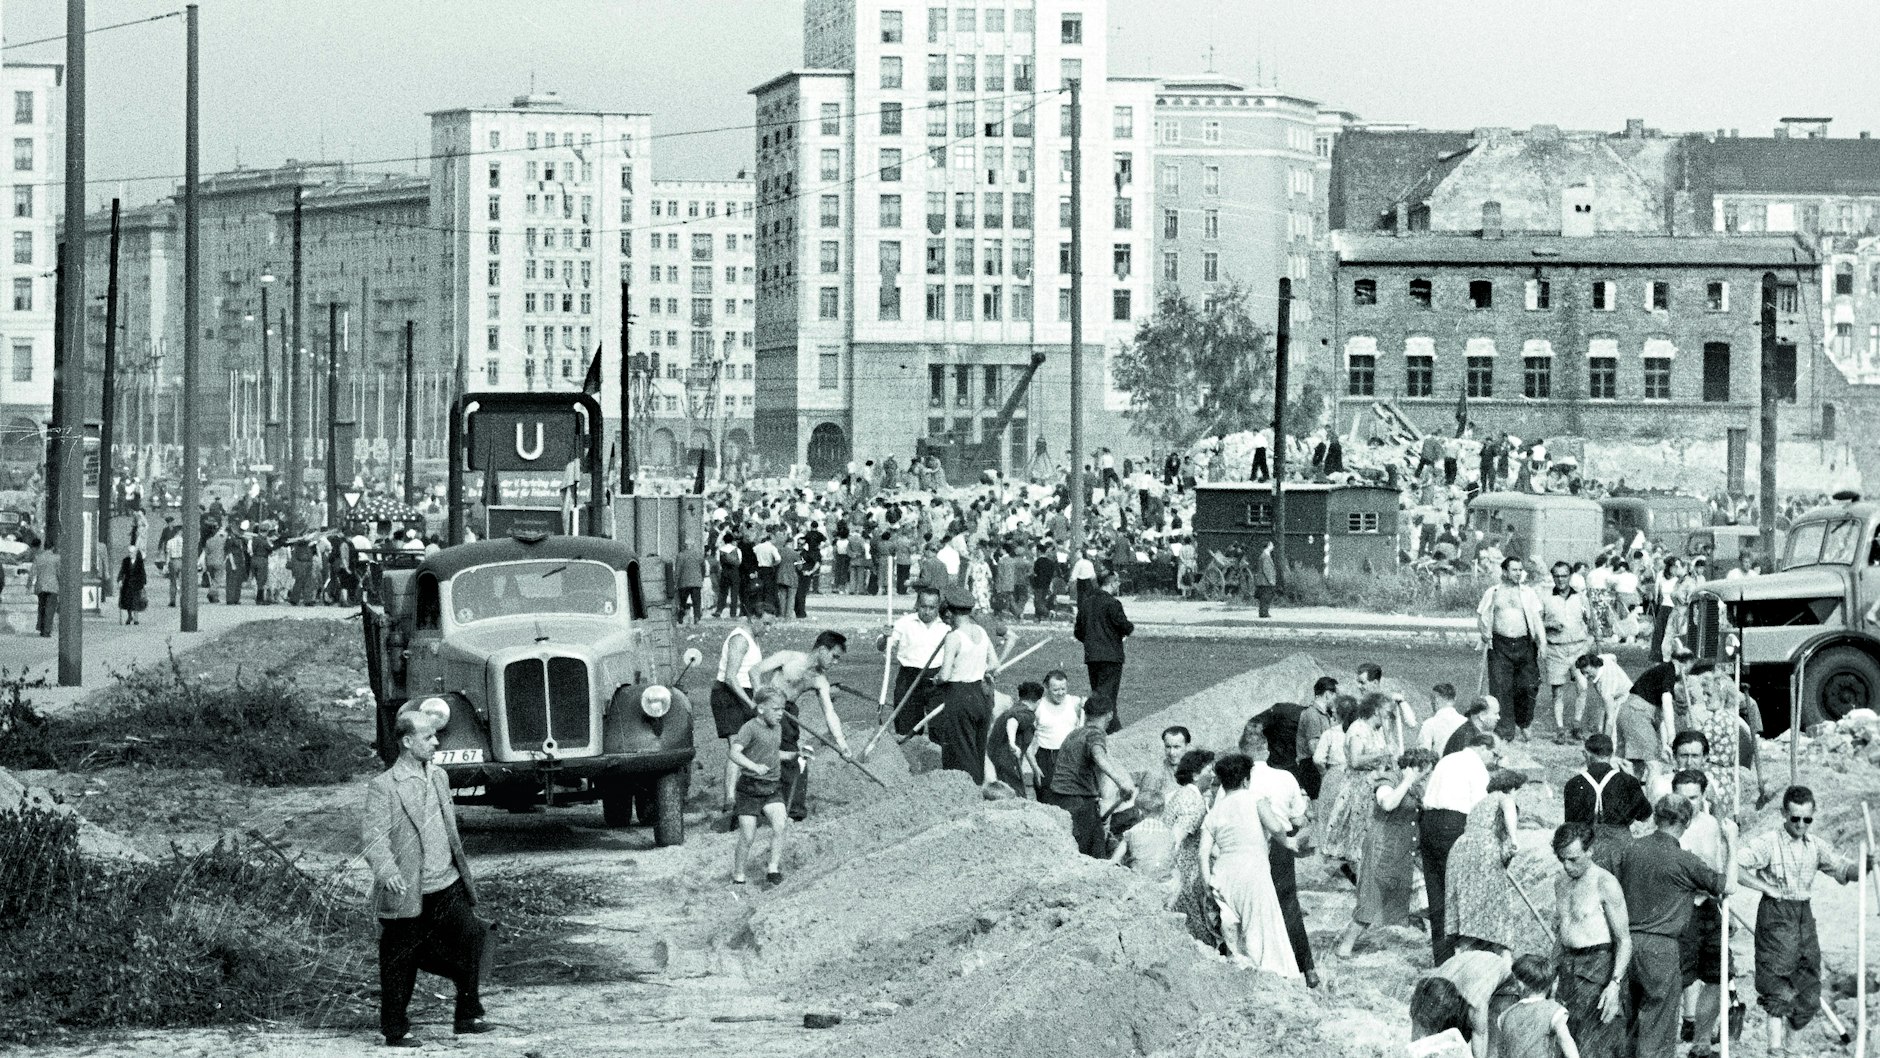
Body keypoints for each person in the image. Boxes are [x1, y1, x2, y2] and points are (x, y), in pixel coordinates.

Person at [360, 710, 490, 1046]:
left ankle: (466, 1015)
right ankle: (395, 1030)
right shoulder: (384, 787)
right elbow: (374, 836)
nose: (436, 741)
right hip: (407, 888)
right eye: (428, 737)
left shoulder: (440, 777)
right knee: (400, 957)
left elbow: (448, 829)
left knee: (474, 936)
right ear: (407, 742)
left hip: (447, 883)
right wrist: (387, 871)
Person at [1735, 784, 1870, 1057]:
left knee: (1808, 983)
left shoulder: (1816, 845)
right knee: (1777, 982)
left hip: (1803, 916)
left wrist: (1867, 865)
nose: (1800, 824)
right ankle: (1775, 1050)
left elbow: (1843, 869)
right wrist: (1765, 888)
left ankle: (1793, 1051)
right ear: (1784, 813)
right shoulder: (1768, 842)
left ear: (1813, 816)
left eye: (1807, 819)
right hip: (1776, 915)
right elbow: (1734, 866)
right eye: (1795, 818)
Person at [1611, 795, 1737, 1058]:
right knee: (1658, 1028)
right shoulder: (1684, 860)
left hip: (1625, 944)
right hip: (1661, 947)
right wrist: (1732, 843)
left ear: (1656, 818)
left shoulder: (1630, 850)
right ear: (1687, 822)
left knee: (1629, 1027)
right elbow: (1728, 886)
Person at [1198, 752, 1300, 976]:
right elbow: (1275, 827)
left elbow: (1203, 853)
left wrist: (1207, 883)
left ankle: (1240, 971)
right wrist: (1287, 841)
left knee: (1232, 932)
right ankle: (1274, 976)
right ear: (1246, 779)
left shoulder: (1214, 812)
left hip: (1223, 875)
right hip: (1253, 872)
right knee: (1260, 929)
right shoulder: (1255, 799)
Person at [1335, 746, 1435, 959]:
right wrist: (1407, 781)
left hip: (1407, 850)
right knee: (1373, 901)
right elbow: (1387, 804)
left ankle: (1435, 937)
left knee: (1425, 897)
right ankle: (1345, 946)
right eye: (1426, 772)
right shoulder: (1388, 780)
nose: (1428, 777)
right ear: (1415, 768)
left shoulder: (1417, 787)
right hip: (1384, 849)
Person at [1243, 718, 1317, 984]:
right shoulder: (1285, 777)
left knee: (1252, 907)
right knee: (1288, 906)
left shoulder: (1240, 780)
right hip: (1280, 844)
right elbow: (1299, 820)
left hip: (1249, 844)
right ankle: (1306, 967)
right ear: (1267, 750)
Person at [1446, 768, 1553, 956]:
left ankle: (1463, 954)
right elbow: (1509, 810)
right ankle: (1503, 957)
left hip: (1461, 852)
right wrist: (1514, 838)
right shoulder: (1504, 798)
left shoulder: (1480, 803)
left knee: (1468, 906)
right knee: (1494, 907)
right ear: (1511, 788)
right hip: (1483, 851)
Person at [750, 630, 852, 822]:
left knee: (795, 762)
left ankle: (793, 812)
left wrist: (841, 744)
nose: (835, 662)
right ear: (822, 650)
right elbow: (754, 671)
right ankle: (753, 810)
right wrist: (759, 698)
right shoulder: (788, 657)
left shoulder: (820, 680)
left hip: (788, 715)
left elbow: (829, 712)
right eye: (834, 656)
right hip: (768, 708)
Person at [1551, 823, 1632, 1058]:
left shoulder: (1605, 883)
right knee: (1566, 1041)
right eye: (1562, 859)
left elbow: (1624, 940)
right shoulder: (1560, 882)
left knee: (1596, 1047)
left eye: (1573, 859)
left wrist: (1615, 984)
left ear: (1590, 851)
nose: (1567, 866)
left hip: (1598, 969)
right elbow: (1562, 932)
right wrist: (1550, 972)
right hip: (1567, 968)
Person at [1421, 732, 1502, 964]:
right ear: (1483, 748)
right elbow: (1481, 808)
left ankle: (1443, 960)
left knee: (1437, 893)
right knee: (1465, 892)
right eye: (1494, 755)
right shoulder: (1476, 767)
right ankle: (1468, 958)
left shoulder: (1447, 759)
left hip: (1429, 824)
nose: (1494, 760)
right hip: (1455, 826)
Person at [1045, 696, 1136, 857]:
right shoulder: (1095, 735)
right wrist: (1121, 783)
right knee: (1092, 852)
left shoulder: (1074, 734)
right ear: (1109, 715)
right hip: (1078, 800)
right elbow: (1099, 756)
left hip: (1059, 797)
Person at [930, 587, 998, 782]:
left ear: (949, 611)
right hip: (980, 695)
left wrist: (936, 680)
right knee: (978, 748)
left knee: (960, 749)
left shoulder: (954, 637)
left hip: (959, 695)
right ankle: (977, 786)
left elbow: (945, 674)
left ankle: (967, 791)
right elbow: (994, 664)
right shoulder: (981, 632)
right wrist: (981, 671)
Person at [1477, 556, 1546, 741]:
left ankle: (1524, 722)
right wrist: (1484, 632)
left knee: (1529, 686)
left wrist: (1543, 642)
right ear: (1505, 571)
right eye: (1514, 570)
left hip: (1525, 645)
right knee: (1501, 687)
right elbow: (1482, 616)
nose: (1518, 573)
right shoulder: (1493, 592)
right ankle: (1505, 732)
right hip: (1500, 645)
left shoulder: (1528, 592)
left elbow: (1537, 619)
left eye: (1520, 570)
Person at [727, 687, 790, 886]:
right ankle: (738, 876)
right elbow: (734, 753)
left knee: (780, 825)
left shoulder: (777, 728)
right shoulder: (750, 728)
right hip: (750, 789)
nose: (780, 714)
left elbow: (772, 753)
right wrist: (754, 766)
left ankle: (772, 869)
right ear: (761, 708)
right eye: (776, 709)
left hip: (772, 787)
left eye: (782, 709)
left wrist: (794, 755)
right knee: (747, 835)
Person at [1562, 733, 1651, 871]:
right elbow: (1645, 816)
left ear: (1586, 754)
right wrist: (1635, 781)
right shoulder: (1628, 781)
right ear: (1612, 754)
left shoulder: (1573, 784)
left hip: (1588, 847)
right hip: (1621, 849)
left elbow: (1570, 826)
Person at [712, 610, 770, 819]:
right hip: (728, 695)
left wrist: (762, 699)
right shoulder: (740, 639)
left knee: (752, 747)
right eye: (765, 623)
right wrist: (750, 704)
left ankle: (748, 796)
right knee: (737, 746)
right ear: (753, 618)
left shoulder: (753, 639)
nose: (768, 629)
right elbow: (730, 677)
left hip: (745, 694)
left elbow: (753, 675)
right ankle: (729, 800)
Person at [1413, 946, 1517, 1058]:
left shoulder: (1476, 1000)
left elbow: (1480, 1034)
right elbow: (1418, 1033)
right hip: (1470, 971)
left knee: (1491, 1041)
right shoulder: (1431, 985)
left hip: (1504, 985)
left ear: (1456, 1001)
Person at [1165, 748, 1221, 945]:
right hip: (1184, 873)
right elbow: (1175, 840)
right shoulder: (1192, 802)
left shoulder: (1183, 794)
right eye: (1209, 770)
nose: (1213, 775)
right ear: (1196, 774)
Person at [1542, 561, 1597, 743]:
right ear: (1553, 576)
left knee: (1582, 686)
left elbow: (1591, 623)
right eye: (1557, 575)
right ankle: (1559, 729)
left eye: (1564, 575)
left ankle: (1576, 725)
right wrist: (1548, 625)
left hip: (1578, 649)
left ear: (1570, 576)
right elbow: (1536, 623)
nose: (1560, 579)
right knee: (1558, 691)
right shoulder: (1546, 597)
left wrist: (1589, 642)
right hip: (1556, 649)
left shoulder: (1581, 597)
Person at [882, 587, 948, 737]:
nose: (927, 611)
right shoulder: (905, 623)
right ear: (918, 604)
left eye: (932, 607)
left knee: (939, 727)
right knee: (906, 725)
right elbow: (884, 646)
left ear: (938, 607)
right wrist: (885, 637)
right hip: (909, 676)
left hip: (936, 678)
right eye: (924, 606)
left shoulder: (946, 626)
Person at [1073, 568, 1133, 732]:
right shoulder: (1113, 604)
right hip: (1111, 656)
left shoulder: (1086, 603)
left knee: (1099, 693)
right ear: (1112, 583)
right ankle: (1111, 730)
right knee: (1108, 698)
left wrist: (1091, 641)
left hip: (1092, 656)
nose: (1118, 585)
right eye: (1118, 582)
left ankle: (1106, 727)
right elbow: (1126, 627)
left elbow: (1078, 631)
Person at [1616, 648, 1689, 775]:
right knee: (1652, 764)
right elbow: (1666, 703)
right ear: (1685, 663)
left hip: (1630, 712)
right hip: (1637, 714)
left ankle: (1628, 793)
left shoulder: (1660, 672)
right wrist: (1672, 735)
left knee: (1636, 764)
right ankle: (1650, 794)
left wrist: (1666, 744)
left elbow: (1659, 718)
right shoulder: (1669, 670)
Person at [1498, 954, 1580, 1058]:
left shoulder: (1506, 1015)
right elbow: (1565, 1040)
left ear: (1520, 984)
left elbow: (1501, 1050)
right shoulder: (1553, 1010)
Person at [988, 680, 1042, 797]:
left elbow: (1024, 744)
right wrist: (1012, 743)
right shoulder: (1027, 714)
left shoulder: (1010, 710)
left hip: (995, 762)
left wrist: (1035, 767)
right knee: (1016, 796)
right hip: (1007, 764)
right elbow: (1013, 720)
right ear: (1039, 701)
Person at [1031, 670, 1083, 793]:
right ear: (1046, 687)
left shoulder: (1074, 702)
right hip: (1046, 755)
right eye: (1055, 690)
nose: (1060, 693)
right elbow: (1029, 736)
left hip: (1069, 755)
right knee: (1045, 792)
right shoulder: (1038, 706)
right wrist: (1034, 765)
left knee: (1070, 791)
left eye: (1063, 689)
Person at [1295, 677, 1340, 801]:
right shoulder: (1312, 714)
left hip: (1316, 766)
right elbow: (1314, 747)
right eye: (1335, 695)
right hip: (1312, 769)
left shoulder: (1322, 715)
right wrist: (1325, 773)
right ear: (1327, 694)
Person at [1134, 725, 1190, 819]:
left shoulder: (1194, 770)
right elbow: (1144, 808)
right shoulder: (1155, 773)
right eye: (1168, 747)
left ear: (1187, 746)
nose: (1172, 752)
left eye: (1176, 747)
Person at [1420, 683, 1466, 754]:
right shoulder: (1465, 722)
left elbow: (1423, 754)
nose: (1431, 702)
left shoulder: (1430, 724)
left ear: (1436, 699)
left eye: (1432, 699)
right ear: (1454, 699)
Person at [674, 539, 707, 625]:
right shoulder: (699, 555)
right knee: (696, 601)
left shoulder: (680, 555)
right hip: (696, 582)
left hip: (683, 583)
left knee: (682, 601)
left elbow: (677, 570)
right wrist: (701, 578)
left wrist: (675, 582)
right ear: (693, 546)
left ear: (684, 546)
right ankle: (696, 616)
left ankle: (681, 616)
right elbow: (703, 568)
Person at [29, 543, 57, 637]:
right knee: (50, 609)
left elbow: (32, 572)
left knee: (42, 607)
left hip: (40, 586)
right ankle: (47, 630)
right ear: (52, 548)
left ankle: (41, 628)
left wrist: (28, 585)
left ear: (44, 547)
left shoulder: (38, 557)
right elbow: (59, 573)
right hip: (53, 586)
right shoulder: (56, 558)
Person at [117, 544, 149, 625]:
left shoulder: (139, 561)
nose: (130, 554)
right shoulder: (126, 561)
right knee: (128, 601)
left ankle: (136, 618)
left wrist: (143, 582)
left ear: (135, 553)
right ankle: (129, 616)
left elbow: (142, 573)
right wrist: (120, 580)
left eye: (132, 552)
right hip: (127, 584)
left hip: (137, 584)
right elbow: (122, 571)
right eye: (129, 552)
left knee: (136, 602)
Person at [1253, 539, 1277, 619]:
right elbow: (1266, 569)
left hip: (1263, 581)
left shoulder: (1264, 556)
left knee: (1264, 597)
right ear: (1268, 546)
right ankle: (1264, 612)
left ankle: (1264, 612)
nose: (1273, 546)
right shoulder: (1265, 557)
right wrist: (1271, 580)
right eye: (1272, 545)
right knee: (1266, 597)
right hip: (1265, 581)